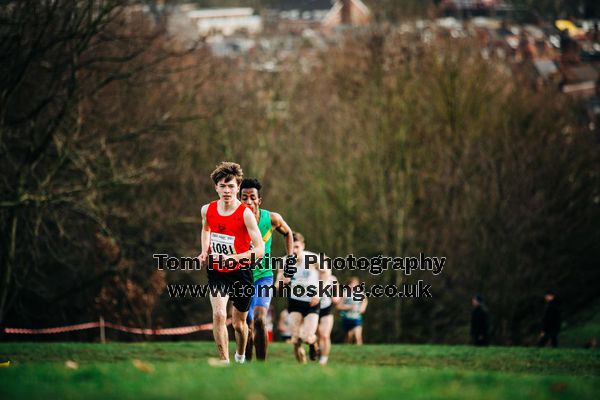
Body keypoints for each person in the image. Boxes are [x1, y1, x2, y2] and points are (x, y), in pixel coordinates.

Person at [197, 162, 264, 364]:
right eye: (222, 186)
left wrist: (233, 258)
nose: (227, 190)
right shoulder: (207, 210)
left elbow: (259, 250)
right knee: (218, 314)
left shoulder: (245, 214)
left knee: (238, 324)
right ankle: (225, 362)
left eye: (231, 186)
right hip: (217, 270)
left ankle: (240, 356)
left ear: (238, 187)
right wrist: (204, 250)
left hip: (241, 272)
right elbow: (206, 229)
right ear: (216, 187)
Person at [240, 178, 294, 361]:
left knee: (260, 319)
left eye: (252, 197)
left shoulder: (271, 219)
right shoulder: (234, 220)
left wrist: (290, 258)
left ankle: (262, 365)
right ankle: (246, 363)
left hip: (264, 276)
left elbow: (288, 233)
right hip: (241, 278)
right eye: (244, 197)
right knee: (244, 324)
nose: (248, 201)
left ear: (259, 200)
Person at [277, 232, 330, 363]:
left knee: (307, 337)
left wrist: (319, 293)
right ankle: (302, 367)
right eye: (291, 247)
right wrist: (282, 282)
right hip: (295, 302)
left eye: (297, 247)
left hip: (311, 302)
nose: (294, 251)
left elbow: (326, 274)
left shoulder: (312, 258)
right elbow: (278, 282)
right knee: (295, 339)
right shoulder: (284, 261)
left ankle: (314, 343)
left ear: (303, 246)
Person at [316, 274, 339, 365]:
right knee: (318, 335)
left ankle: (324, 359)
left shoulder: (332, 278)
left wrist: (336, 297)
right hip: (312, 308)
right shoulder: (312, 275)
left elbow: (337, 290)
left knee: (325, 335)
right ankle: (316, 349)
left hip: (327, 308)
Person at [337, 277, 368, 345]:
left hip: (356, 317)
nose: (353, 286)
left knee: (358, 336)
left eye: (355, 284)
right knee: (349, 337)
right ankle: (347, 351)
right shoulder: (345, 294)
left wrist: (363, 308)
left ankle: (361, 353)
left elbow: (365, 301)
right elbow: (338, 306)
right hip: (346, 318)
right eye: (351, 284)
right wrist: (349, 307)